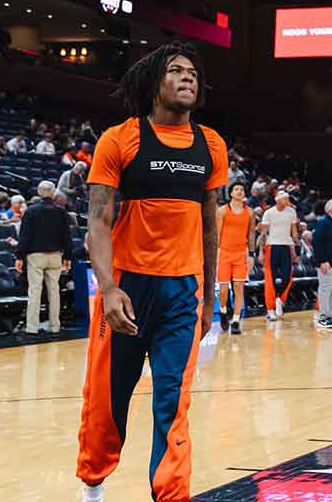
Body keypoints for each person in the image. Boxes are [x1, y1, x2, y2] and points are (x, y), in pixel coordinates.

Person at [75, 43, 228, 502]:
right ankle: (93, 484)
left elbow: (209, 227)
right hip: (125, 287)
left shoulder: (212, 145)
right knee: (106, 400)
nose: (188, 78)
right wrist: (108, 287)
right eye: (176, 71)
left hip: (183, 293)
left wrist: (209, 300)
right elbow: (97, 224)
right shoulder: (120, 140)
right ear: (154, 84)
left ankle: (171, 495)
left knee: (173, 403)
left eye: (193, 73)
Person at [16, 181, 74, 335]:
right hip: (55, 256)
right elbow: (67, 237)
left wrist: (19, 256)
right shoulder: (61, 212)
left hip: (36, 256)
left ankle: (32, 327)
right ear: (54, 192)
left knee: (35, 291)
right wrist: (67, 256)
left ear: (39, 192)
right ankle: (55, 326)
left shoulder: (31, 211)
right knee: (54, 291)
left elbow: (25, 236)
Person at [214, 183, 255, 334]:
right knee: (224, 289)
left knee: (239, 287)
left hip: (240, 254)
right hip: (224, 253)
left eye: (242, 189)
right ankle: (224, 311)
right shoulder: (222, 211)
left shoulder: (250, 212)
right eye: (236, 189)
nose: (239, 191)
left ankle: (236, 321)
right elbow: (217, 234)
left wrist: (251, 254)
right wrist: (216, 253)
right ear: (230, 193)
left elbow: (251, 234)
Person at [258, 190, 299, 320]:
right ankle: (270, 309)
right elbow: (263, 234)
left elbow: (294, 232)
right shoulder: (269, 213)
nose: (288, 201)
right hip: (272, 246)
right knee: (270, 277)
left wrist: (296, 249)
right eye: (286, 199)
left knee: (288, 277)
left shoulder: (291, 212)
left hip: (286, 246)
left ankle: (280, 300)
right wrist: (261, 251)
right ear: (278, 200)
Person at [311, 199, 332, 330]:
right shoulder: (323, 223)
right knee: (325, 289)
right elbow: (316, 242)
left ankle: (329, 315)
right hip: (326, 263)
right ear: (331, 210)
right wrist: (322, 260)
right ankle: (322, 317)